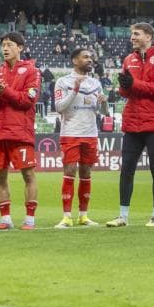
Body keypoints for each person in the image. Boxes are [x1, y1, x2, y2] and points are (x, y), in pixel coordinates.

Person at [108, 23, 154, 227]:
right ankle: (123, 216)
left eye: (136, 34)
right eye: (131, 34)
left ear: (149, 36)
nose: (132, 38)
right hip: (132, 121)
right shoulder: (129, 59)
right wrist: (124, 88)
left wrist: (133, 84)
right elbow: (126, 92)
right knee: (126, 169)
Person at [0, 32, 41, 231]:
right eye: (3, 45)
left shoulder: (32, 71)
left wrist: (4, 91)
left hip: (20, 133)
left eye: (9, 45)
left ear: (20, 48)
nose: (5, 48)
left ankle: (29, 219)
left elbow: (27, 101)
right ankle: (5, 219)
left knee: (28, 174)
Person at [53, 47, 106, 228]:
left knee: (86, 173)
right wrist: (74, 91)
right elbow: (59, 107)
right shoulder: (63, 81)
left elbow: (101, 112)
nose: (90, 59)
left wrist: (104, 104)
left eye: (91, 57)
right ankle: (67, 216)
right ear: (75, 60)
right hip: (70, 133)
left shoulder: (95, 83)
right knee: (69, 172)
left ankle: (83, 216)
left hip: (90, 133)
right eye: (85, 57)